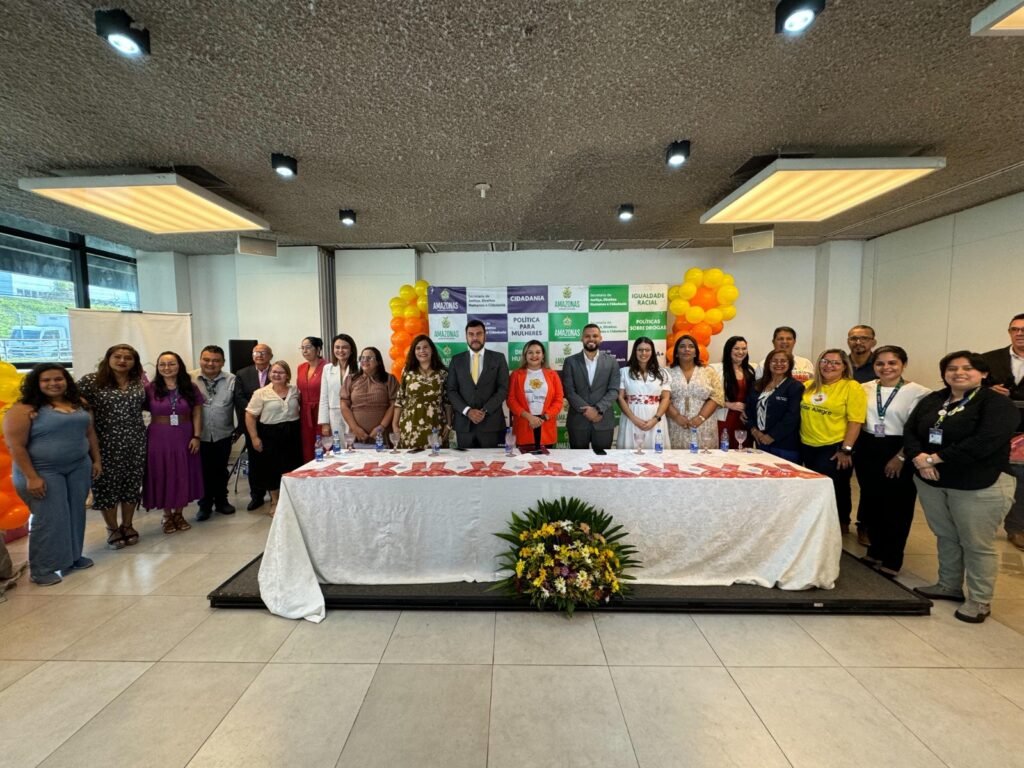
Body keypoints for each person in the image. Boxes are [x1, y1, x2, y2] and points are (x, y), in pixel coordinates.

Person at [905, 350, 1018, 623]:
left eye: (967, 368)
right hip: (932, 480)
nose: (958, 373)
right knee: (945, 535)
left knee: (976, 543)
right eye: (952, 368)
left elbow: (984, 442)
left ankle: (979, 600)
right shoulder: (934, 399)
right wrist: (919, 458)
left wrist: (934, 458)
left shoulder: (996, 404)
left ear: (984, 373)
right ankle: (948, 585)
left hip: (978, 484)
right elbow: (910, 430)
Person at [3, 364, 101, 586]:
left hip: (78, 467)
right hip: (42, 471)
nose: (53, 383)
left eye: (58, 379)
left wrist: (96, 460)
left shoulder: (79, 403)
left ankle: (73, 557)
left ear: (66, 380)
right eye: (46, 380)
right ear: (36, 383)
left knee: (75, 513)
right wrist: (32, 477)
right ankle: (42, 568)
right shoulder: (23, 409)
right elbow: (15, 446)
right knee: (50, 518)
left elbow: (90, 433)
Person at [853, 346, 930, 574]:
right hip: (868, 447)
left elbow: (918, 430)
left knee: (897, 506)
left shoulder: (919, 392)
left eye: (892, 363)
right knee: (872, 501)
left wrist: (901, 456)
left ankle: (892, 559)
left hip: (899, 448)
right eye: (880, 363)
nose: (886, 368)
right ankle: (875, 551)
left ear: (903, 365)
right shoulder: (864, 388)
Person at [77, 343, 147, 549]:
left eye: (128, 358)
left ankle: (128, 525)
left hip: (135, 440)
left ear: (134, 362)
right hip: (104, 443)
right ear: (108, 359)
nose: (122, 361)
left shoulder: (137, 382)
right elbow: (72, 400)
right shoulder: (91, 381)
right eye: (117, 356)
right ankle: (112, 528)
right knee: (107, 486)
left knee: (131, 484)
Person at [800, 349, 867, 534]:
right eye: (825, 361)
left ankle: (840, 523)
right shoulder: (808, 385)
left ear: (844, 366)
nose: (829, 366)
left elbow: (856, 421)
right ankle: (818, 524)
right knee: (815, 488)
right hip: (807, 445)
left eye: (836, 363)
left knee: (836, 487)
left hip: (833, 446)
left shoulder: (851, 387)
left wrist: (846, 449)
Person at [144, 352, 204, 534]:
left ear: (179, 365)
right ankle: (167, 515)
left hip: (185, 434)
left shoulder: (190, 387)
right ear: (157, 367)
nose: (167, 368)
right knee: (163, 473)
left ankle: (179, 514)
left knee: (182, 473)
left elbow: (197, 412)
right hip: (159, 437)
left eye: (171, 364)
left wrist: (196, 436)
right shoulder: (150, 388)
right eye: (162, 364)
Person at [980, 313, 1024, 551]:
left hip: (1023, 431)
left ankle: (1017, 528)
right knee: (986, 478)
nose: (1020, 334)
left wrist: (1014, 397)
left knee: (1022, 481)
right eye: (1015, 329)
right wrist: (988, 391)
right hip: (993, 429)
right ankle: (981, 526)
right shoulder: (988, 359)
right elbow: (971, 387)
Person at [245, 361, 302, 514]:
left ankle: (291, 501)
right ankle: (275, 501)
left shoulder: (295, 390)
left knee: (292, 467)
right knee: (272, 469)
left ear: (287, 375)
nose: (276, 375)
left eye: (280, 372)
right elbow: (250, 415)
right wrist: (254, 437)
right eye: (274, 372)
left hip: (292, 433)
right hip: (270, 434)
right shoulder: (261, 393)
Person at [446, 319, 510, 448]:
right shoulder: (456, 360)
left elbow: (503, 389)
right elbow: (451, 390)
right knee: (465, 460)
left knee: (492, 460)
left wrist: (484, 411)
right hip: (464, 425)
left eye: (479, 333)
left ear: (485, 336)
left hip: (491, 424)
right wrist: (468, 411)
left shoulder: (498, 358)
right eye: (471, 334)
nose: (475, 338)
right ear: (466, 337)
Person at [191, 345, 237, 521]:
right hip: (198, 435)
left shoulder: (232, 379)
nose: (211, 364)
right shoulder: (189, 379)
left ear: (223, 362)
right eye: (206, 360)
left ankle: (222, 501)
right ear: (200, 360)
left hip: (223, 432)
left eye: (216, 360)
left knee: (220, 469)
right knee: (202, 470)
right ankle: (204, 504)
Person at [561, 324, 620, 450]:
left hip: (603, 420)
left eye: (595, 336)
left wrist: (597, 409)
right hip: (578, 422)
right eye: (587, 336)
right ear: (582, 338)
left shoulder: (612, 362)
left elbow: (614, 390)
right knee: (577, 459)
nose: (591, 339)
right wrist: (587, 411)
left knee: (602, 460)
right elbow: (569, 391)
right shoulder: (570, 361)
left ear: (600, 338)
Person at [666, 335, 723, 450]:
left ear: (696, 352)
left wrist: (700, 418)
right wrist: (676, 416)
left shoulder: (708, 371)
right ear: (676, 353)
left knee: (704, 458)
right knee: (676, 458)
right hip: (675, 424)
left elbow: (717, 396)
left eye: (691, 346)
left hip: (704, 424)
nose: (687, 349)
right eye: (682, 346)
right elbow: (662, 398)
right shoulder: (667, 373)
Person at [234, 343, 273, 511]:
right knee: (255, 460)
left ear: (270, 356)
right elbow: (239, 397)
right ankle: (256, 495)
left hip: (273, 422)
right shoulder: (242, 373)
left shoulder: (277, 371)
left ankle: (275, 493)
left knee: (273, 459)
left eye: (263, 352)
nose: (259, 355)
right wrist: (255, 411)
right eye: (256, 352)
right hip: (252, 423)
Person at [747, 350, 804, 462]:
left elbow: (792, 416)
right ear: (768, 363)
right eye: (774, 361)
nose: (778, 364)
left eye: (783, 361)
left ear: (790, 364)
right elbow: (748, 410)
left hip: (784, 445)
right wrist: (754, 431)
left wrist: (772, 436)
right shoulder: (757, 384)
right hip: (760, 441)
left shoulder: (795, 386)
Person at [393, 335, 449, 449]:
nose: (422, 351)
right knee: (411, 458)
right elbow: (400, 400)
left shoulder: (443, 373)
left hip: (435, 424)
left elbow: (448, 402)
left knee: (436, 457)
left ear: (432, 350)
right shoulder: (407, 371)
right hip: (410, 425)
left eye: (425, 347)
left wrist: (448, 424)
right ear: (414, 352)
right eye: (418, 348)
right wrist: (394, 424)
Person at [508, 340, 564, 451]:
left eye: (538, 352)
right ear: (525, 355)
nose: (534, 355)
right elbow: (511, 400)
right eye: (530, 352)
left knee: (546, 460)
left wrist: (543, 418)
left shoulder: (552, 375)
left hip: (546, 424)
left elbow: (558, 400)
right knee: (524, 460)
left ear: (543, 355)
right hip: (524, 424)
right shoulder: (516, 375)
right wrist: (529, 417)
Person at [618, 336, 672, 450]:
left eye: (647, 350)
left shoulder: (662, 373)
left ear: (652, 352)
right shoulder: (624, 372)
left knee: (656, 454)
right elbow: (620, 397)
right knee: (630, 454)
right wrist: (634, 419)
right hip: (631, 417)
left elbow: (666, 398)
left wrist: (655, 419)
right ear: (635, 351)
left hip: (655, 418)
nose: (644, 353)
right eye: (640, 350)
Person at [340, 347, 399, 446]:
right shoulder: (351, 379)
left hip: (382, 434)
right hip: (357, 434)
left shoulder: (389, 379)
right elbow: (344, 405)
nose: (365, 361)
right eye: (362, 358)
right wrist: (355, 428)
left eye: (369, 358)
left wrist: (381, 427)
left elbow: (394, 404)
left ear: (378, 362)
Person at [712, 336, 755, 448]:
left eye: (744, 348)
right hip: (724, 417)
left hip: (744, 419)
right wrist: (728, 404)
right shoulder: (716, 369)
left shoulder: (750, 370)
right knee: (724, 450)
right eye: (736, 348)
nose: (740, 352)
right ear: (728, 350)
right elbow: (708, 396)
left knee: (743, 450)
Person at [318, 333, 358, 441]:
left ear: (351, 350)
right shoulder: (327, 368)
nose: (340, 350)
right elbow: (324, 397)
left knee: (354, 444)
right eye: (337, 347)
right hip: (334, 414)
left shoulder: (359, 368)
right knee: (339, 446)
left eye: (344, 347)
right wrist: (325, 423)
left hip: (354, 413)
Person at [296, 336, 327, 463]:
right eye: (302, 348)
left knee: (323, 445)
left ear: (318, 349)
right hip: (305, 413)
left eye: (308, 347)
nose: (305, 351)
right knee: (307, 446)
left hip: (322, 411)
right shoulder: (301, 367)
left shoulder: (328, 367)